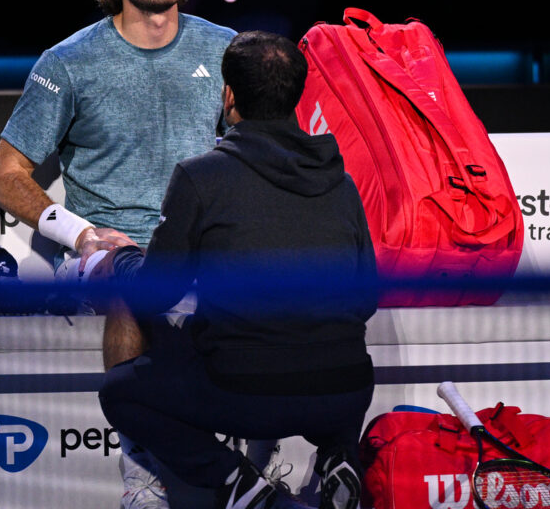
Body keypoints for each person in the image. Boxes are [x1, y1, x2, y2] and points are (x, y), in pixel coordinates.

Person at [0, 0, 241, 506]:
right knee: (132, 282)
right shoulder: (68, 62)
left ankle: (255, 460)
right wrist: (79, 235)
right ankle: (141, 472)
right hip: (103, 249)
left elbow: (257, 143)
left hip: (198, 245)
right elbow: (6, 175)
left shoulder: (226, 49)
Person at [94, 31, 379, 509]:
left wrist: (121, 257)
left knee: (121, 393)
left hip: (246, 398)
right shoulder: (341, 180)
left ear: (228, 96)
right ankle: (338, 455)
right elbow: (365, 298)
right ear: (296, 96)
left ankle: (237, 482)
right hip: (345, 395)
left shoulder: (199, 176)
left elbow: (155, 296)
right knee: (327, 356)